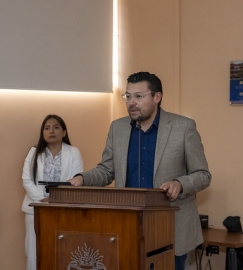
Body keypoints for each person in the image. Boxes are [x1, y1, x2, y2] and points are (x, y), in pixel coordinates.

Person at [69, 71, 211, 270]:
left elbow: (203, 175)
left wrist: (179, 183)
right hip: (126, 227)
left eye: (139, 96)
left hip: (169, 228)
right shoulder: (117, 128)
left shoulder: (183, 127)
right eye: (128, 96)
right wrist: (82, 179)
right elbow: (106, 170)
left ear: (157, 97)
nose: (131, 102)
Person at [22, 114, 83, 270]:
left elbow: (76, 180)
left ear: (64, 132)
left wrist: (56, 201)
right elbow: (26, 180)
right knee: (34, 251)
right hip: (35, 208)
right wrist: (43, 201)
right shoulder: (34, 152)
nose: (51, 131)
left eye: (56, 127)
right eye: (47, 128)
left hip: (64, 208)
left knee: (63, 250)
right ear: (43, 132)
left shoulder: (73, 152)